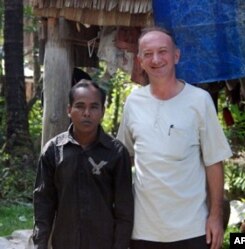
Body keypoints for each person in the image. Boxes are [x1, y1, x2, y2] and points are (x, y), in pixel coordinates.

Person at [117, 27, 232, 249]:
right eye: (148, 54)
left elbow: (214, 162)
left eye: (163, 51)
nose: (156, 59)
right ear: (140, 60)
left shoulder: (200, 101)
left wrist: (216, 217)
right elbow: (124, 158)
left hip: (193, 228)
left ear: (176, 55)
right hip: (143, 229)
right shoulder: (133, 103)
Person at [33, 80, 134, 249]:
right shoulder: (53, 151)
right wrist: (39, 245)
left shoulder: (116, 153)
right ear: (69, 110)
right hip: (65, 243)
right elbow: (43, 204)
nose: (86, 113)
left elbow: (124, 211)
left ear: (102, 111)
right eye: (79, 106)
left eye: (94, 107)